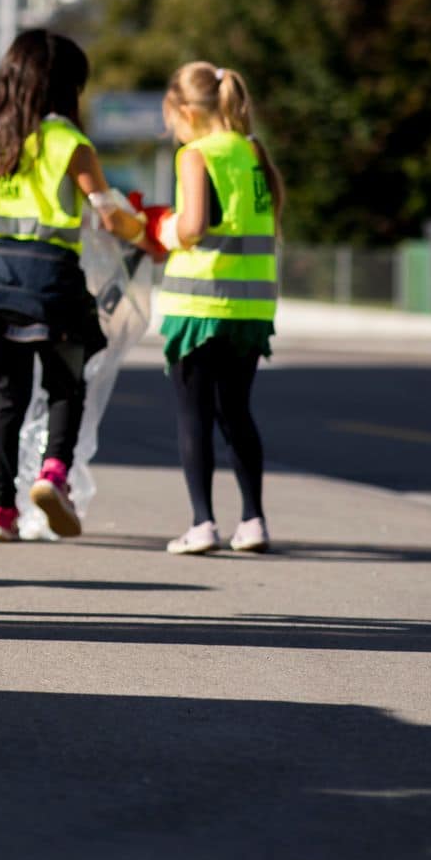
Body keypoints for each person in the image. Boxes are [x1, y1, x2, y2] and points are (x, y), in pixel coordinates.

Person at [0, 30, 144, 545]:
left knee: (6, 396)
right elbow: (108, 216)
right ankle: (53, 475)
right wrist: (141, 226)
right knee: (67, 380)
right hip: (52, 278)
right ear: (63, 87)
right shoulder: (69, 144)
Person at [149, 63, 282, 555]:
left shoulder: (195, 154)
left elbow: (194, 227)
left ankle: (202, 523)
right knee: (237, 413)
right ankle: (253, 520)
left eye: (172, 118)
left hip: (199, 304)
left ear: (186, 111)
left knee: (194, 416)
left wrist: (163, 229)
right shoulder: (252, 152)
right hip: (251, 308)